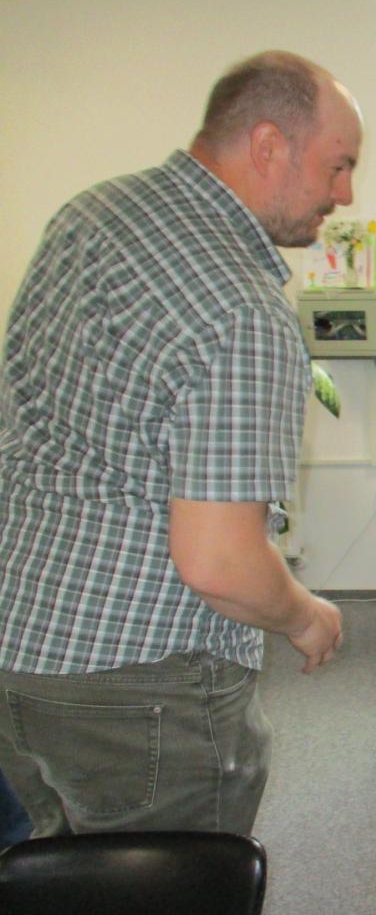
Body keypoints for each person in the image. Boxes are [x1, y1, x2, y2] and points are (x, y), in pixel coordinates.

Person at [0, 51, 353, 838]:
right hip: (136, 684)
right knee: (167, 897)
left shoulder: (90, 214)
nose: (345, 193)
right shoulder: (241, 307)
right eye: (338, 166)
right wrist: (305, 617)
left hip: (17, 642)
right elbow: (220, 564)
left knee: (54, 882)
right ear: (269, 146)